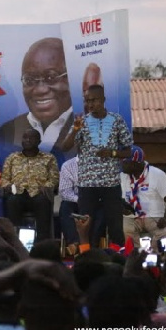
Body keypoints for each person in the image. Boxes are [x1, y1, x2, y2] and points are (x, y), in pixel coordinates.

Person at [61, 84, 133, 246]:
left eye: (94, 100)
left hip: (111, 183)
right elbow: (64, 147)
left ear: (103, 100)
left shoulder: (116, 120)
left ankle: (119, 260)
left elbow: (128, 151)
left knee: (115, 226)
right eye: (87, 101)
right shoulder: (82, 122)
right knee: (86, 226)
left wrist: (112, 153)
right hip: (87, 184)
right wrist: (75, 130)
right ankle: (88, 258)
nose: (90, 104)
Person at [0, 37, 75, 161]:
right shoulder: (9, 130)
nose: (40, 90)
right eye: (29, 79)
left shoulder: (86, 126)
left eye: (51, 77)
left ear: (71, 77)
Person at [0, 129, 59, 241]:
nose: (27, 140)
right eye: (25, 137)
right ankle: (14, 242)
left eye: (31, 138)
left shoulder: (48, 158)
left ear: (39, 141)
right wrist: (7, 186)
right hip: (17, 193)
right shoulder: (12, 158)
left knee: (43, 201)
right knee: (12, 201)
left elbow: (54, 178)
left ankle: (42, 243)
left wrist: (47, 186)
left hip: (39, 194)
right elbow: (4, 178)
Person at [121, 145, 166, 249]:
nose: (122, 165)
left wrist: (165, 218)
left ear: (136, 163)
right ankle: (133, 256)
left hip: (157, 216)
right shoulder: (123, 176)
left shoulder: (157, 174)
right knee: (123, 229)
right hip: (134, 217)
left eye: (125, 162)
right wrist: (124, 209)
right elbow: (121, 200)